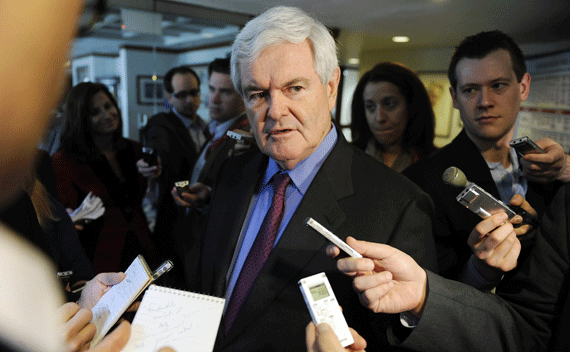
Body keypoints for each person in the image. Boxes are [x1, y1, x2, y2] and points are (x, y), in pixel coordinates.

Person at [184, 6, 438, 351]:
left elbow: (406, 338)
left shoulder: (399, 206)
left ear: (331, 87)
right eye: (258, 94)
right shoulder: (232, 173)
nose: (275, 111)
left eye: (294, 88)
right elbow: (205, 280)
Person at [402, 30, 570, 287]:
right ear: (455, 98)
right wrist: (478, 271)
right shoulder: (420, 182)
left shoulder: (551, 167)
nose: (485, 101)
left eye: (498, 85)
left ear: (523, 87)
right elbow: (423, 286)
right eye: (470, 90)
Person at [331, 179, 570, 351]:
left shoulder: (552, 182)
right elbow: (527, 332)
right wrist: (424, 294)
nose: (485, 104)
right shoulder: (566, 199)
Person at [52, 82, 159, 273]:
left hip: (143, 248)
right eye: (95, 112)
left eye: (108, 106)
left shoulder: (133, 149)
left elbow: (146, 197)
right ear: (81, 119)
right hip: (100, 257)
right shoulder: (64, 161)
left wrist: (154, 174)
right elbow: (64, 215)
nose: (107, 115)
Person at [140, 65, 208, 264]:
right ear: (169, 97)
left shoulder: (206, 128)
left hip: (201, 222)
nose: (190, 100)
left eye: (194, 93)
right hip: (173, 223)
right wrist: (155, 162)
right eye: (182, 95)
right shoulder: (162, 123)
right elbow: (158, 143)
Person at [351, 62, 436, 172]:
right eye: (370, 106)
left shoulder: (436, 162)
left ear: (412, 106)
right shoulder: (347, 157)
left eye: (389, 104)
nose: (379, 118)